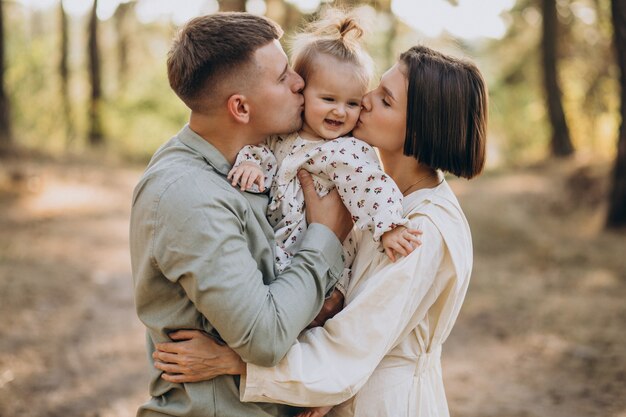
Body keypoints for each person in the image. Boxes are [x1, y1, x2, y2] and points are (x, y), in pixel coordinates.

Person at [152, 44, 488, 417]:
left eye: (386, 100)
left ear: (420, 129)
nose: (366, 100)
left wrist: (233, 362)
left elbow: (352, 345)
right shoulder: (363, 191)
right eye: (376, 88)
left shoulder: (421, 230)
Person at [129, 12, 354, 417]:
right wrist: (326, 237)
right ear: (240, 108)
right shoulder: (190, 195)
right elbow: (264, 337)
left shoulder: (261, 159)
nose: (300, 82)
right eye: (283, 77)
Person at [227, 10, 420, 291]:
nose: (339, 111)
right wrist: (249, 164)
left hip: (323, 268)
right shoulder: (282, 134)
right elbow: (259, 149)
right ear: (301, 91)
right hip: (278, 250)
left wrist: (390, 226)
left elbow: (372, 185)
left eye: (352, 103)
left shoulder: (347, 150)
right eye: (328, 99)